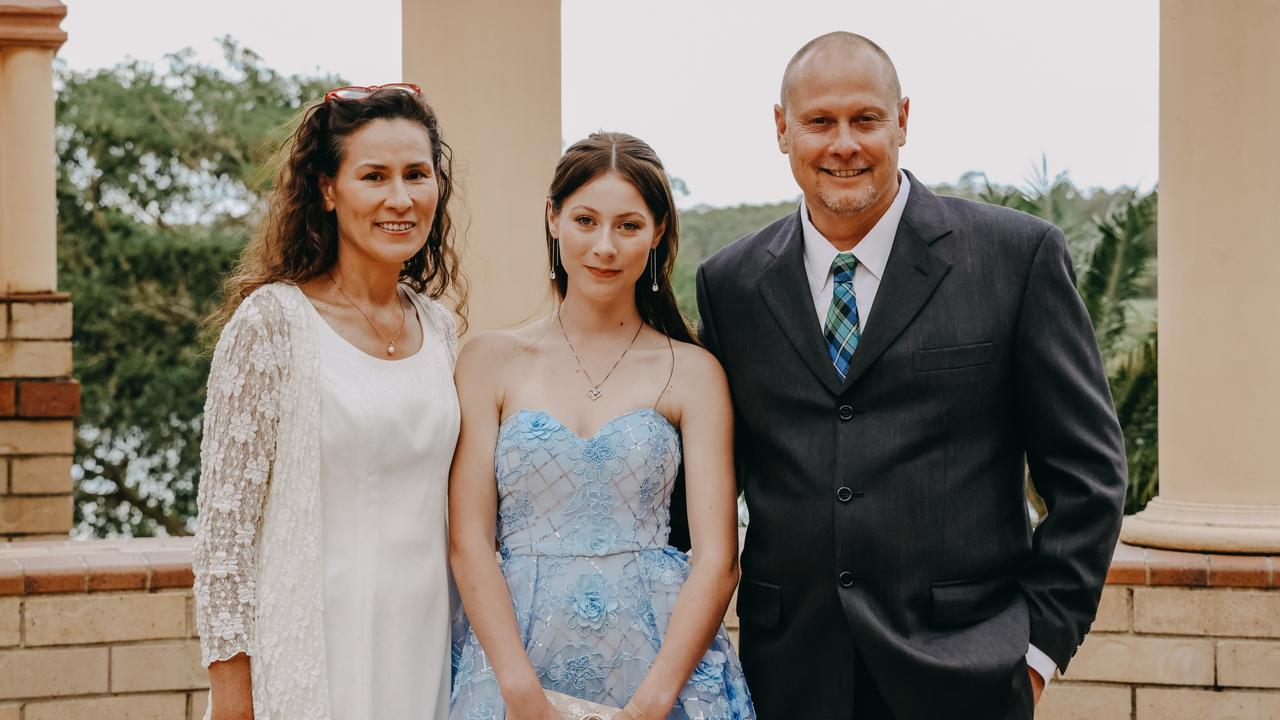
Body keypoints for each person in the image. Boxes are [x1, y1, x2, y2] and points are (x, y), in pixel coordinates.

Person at [694, 33, 1127, 720]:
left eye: (865, 119)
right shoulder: (730, 284)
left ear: (902, 120)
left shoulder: (1016, 258)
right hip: (790, 677)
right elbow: (709, 482)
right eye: (819, 121)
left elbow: (1090, 477)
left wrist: (1038, 653)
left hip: (967, 671)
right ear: (782, 129)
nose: (844, 144)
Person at [448, 132, 754, 720]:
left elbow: (717, 558)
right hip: (515, 664)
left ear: (658, 232)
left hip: (661, 667)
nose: (605, 247)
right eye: (585, 220)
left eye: (629, 226)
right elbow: (469, 541)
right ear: (553, 217)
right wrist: (520, 695)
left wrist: (652, 704)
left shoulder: (691, 372)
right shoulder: (488, 361)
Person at [192, 84, 466, 719]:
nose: (400, 198)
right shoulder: (272, 324)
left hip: (427, 654)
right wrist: (234, 705)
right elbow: (224, 539)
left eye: (416, 174)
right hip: (312, 661)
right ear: (326, 189)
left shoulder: (442, 329)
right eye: (374, 176)